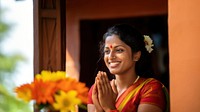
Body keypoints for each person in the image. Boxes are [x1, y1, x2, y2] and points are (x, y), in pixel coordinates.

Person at [87, 24, 169, 112]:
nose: (110, 56)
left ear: (136, 55)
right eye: (107, 51)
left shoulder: (150, 89)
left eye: (119, 50)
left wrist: (109, 108)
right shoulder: (98, 90)